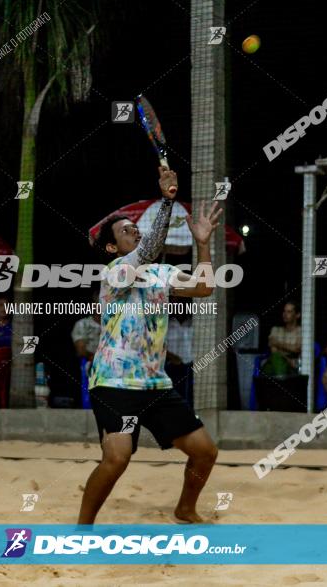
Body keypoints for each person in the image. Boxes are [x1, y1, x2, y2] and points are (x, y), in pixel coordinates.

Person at [79, 165, 223, 525]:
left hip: (154, 383)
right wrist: (166, 200)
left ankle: (185, 509)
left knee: (205, 452)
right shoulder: (114, 272)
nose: (135, 233)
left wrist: (203, 245)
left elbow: (205, 288)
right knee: (118, 457)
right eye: (127, 231)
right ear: (113, 247)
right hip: (113, 381)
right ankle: (82, 529)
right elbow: (148, 250)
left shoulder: (161, 273)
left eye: (135, 229)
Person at [165, 300, 194, 404]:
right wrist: (172, 357)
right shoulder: (167, 324)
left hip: (192, 366)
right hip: (172, 366)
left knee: (190, 396)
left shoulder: (193, 323)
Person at [263, 301, 302, 377]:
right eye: (284, 311)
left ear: (297, 315)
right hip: (279, 361)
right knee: (276, 360)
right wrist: (287, 359)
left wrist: (277, 343)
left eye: (289, 312)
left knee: (273, 368)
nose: (285, 314)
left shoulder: (301, 331)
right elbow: (273, 350)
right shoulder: (275, 330)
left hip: (293, 367)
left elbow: (297, 348)